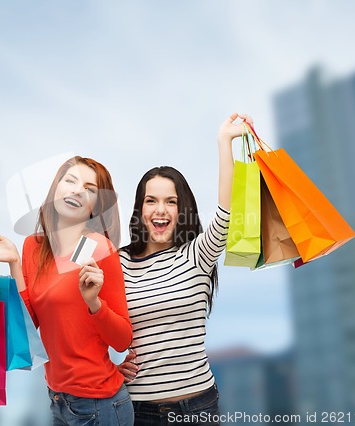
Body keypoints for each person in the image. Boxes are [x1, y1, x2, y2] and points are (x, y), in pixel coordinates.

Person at [0, 156, 134, 426]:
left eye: (90, 189)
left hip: (101, 404)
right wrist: (14, 263)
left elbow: (122, 340)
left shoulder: (99, 249)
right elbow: (30, 324)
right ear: (55, 189)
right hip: (58, 399)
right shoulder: (33, 246)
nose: (76, 190)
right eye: (70, 181)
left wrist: (93, 302)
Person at [117, 113, 254, 425]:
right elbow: (95, 326)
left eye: (171, 202)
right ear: (140, 210)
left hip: (198, 408)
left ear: (182, 210)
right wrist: (111, 365)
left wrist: (224, 141)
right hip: (138, 412)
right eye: (151, 201)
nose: (160, 210)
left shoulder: (197, 255)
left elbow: (227, 212)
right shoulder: (118, 262)